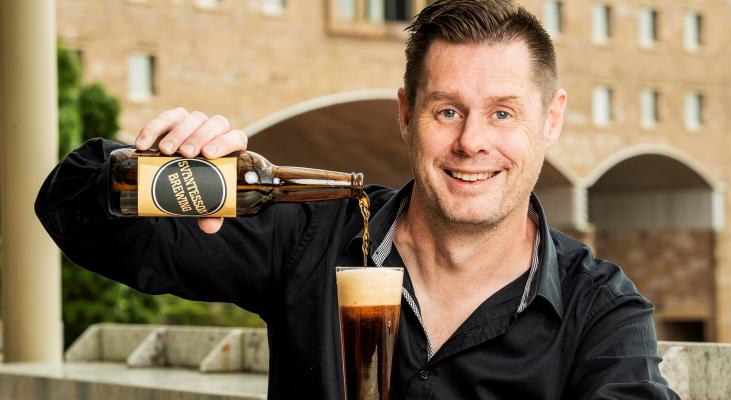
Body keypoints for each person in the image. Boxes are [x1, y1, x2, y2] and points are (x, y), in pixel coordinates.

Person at [36, 0, 679, 398]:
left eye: (504, 113)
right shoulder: (312, 234)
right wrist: (147, 166)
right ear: (406, 115)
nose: (471, 141)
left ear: (551, 119)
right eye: (446, 110)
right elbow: (72, 212)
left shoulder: (602, 310)